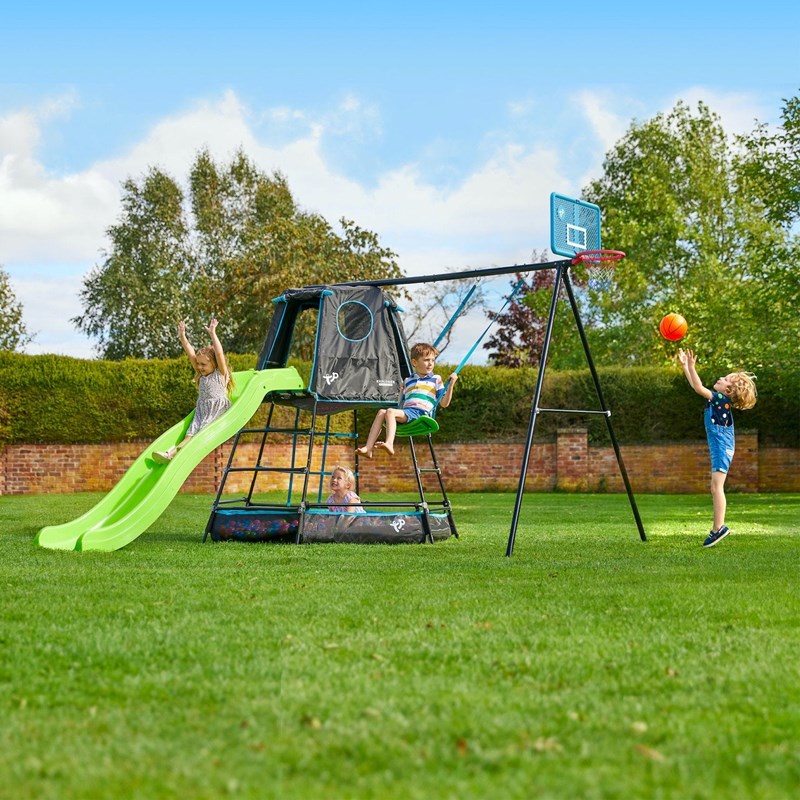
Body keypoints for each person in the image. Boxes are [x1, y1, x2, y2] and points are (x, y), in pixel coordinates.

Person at [678, 348, 757, 547]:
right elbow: (696, 387)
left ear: (728, 391)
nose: (720, 378)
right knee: (716, 487)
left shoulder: (721, 400)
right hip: (722, 447)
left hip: (722, 448)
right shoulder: (719, 400)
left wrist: (692, 366)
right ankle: (718, 528)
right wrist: (686, 367)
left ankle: (718, 528)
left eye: (725, 379)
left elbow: (698, 387)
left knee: (716, 487)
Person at [356, 342, 458, 458]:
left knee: (389, 411)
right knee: (381, 412)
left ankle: (389, 443)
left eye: (432, 360)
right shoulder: (408, 380)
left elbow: (444, 404)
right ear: (414, 362)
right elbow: (401, 404)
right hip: (407, 412)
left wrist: (451, 385)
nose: (430, 364)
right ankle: (368, 448)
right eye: (426, 360)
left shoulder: (436, 379)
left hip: (421, 413)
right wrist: (401, 392)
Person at [153, 319, 234, 463]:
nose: (200, 367)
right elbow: (191, 354)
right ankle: (171, 453)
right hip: (202, 412)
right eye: (198, 364)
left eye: (204, 364)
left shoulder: (220, 374)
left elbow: (220, 353)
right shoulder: (201, 375)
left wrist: (213, 333)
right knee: (189, 435)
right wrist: (182, 337)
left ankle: (172, 453)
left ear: (214, 363)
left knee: (196, 436)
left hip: (216, 412)